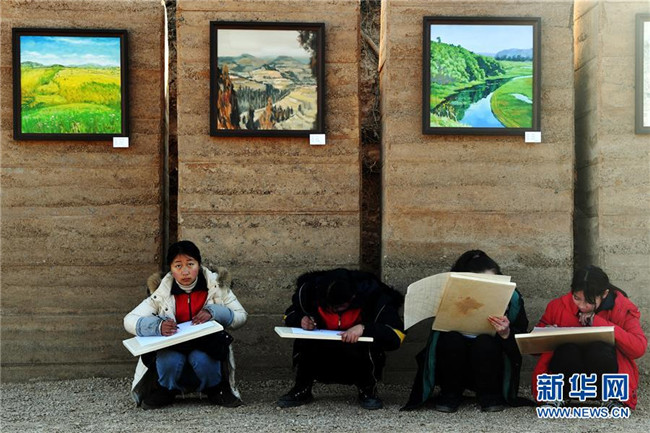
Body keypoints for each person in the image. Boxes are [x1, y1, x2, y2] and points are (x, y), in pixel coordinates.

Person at [124, 240, 247, 409]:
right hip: (173, 347)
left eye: (190, 264)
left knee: (202, 359)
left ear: (199, 264)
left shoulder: (216, 286)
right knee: (169, 360)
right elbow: (129, 320)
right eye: (178, 266)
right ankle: (166, 390)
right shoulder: (161, 291)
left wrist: (214, 312)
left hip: (206, 345)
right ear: (171, 269)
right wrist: (158, 326)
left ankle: (214, 389)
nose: (185, 271)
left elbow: (241, 316)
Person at [402, 250, 529, 413]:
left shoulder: (513, 299)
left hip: (491, 362)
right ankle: (450, 394)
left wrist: (506, 333)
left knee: (484, 342)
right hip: (453, 358)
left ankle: (489, 395)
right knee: (451, 339)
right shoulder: (449, 292)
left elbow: (521, 340)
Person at [277, 268, 405, 410]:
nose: (335, 310)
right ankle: (302, 388)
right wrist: (301, 320)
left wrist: (364, 328)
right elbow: (289, 315)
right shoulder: (310, 291)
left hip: (358, 353)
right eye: (329, 307)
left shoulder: (375, 295)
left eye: (340, 306)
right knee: (305, 341)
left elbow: (396, 335)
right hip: (320, 350)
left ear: (353, 297)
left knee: (370, 345)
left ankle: (368, 390)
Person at [532, 265, 647, 409]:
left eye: (589, 301)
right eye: (576, 298)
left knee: (600, 349)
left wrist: (599, 323)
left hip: (603, 374)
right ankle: (558, 396)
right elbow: (533, 350)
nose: (582, 306)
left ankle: (611, 398)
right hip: (568, 378)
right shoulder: (558, 306)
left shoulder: (621, 308)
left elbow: (638, 348)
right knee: (567, 349)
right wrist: (545, 334)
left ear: (604, 294)